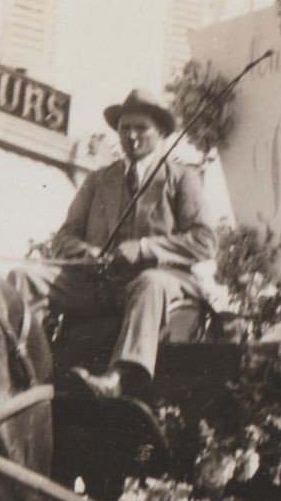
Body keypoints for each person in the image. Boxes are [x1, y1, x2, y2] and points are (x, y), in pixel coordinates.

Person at [49, 89, 216, 400]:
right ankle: (12, 362)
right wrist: (90, 252)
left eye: (141, 128)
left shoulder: (181, 178)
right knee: (28, 277)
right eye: (125, 128)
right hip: (99, 283)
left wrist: (143, 249)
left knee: (148, 282)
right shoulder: (99, 180)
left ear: (161, 132)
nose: (132, 136)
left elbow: (204, 241)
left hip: (165, 282)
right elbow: (64, 238)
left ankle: (117, 377)